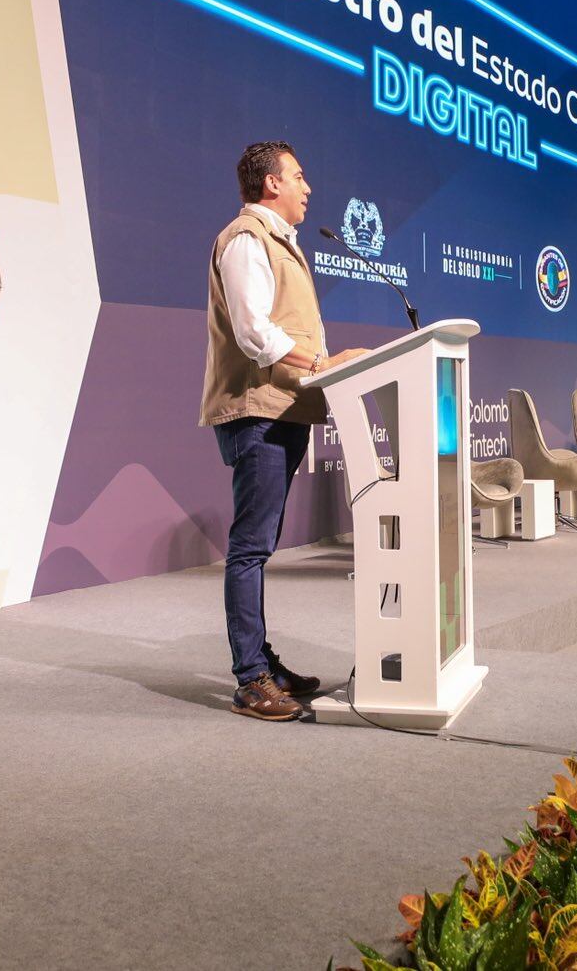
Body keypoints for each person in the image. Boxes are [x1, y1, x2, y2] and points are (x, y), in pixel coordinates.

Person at [200, 141, 367, 722]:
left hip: (285, 410)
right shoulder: (246, 240)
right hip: (258, 412)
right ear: (271, 184)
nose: (308, 188)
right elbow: (253, 334)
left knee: (260, 546)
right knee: (250, 549)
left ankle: (263, 663)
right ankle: (250, 679)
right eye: (299, 176)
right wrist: (321, 365)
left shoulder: (279, 243)